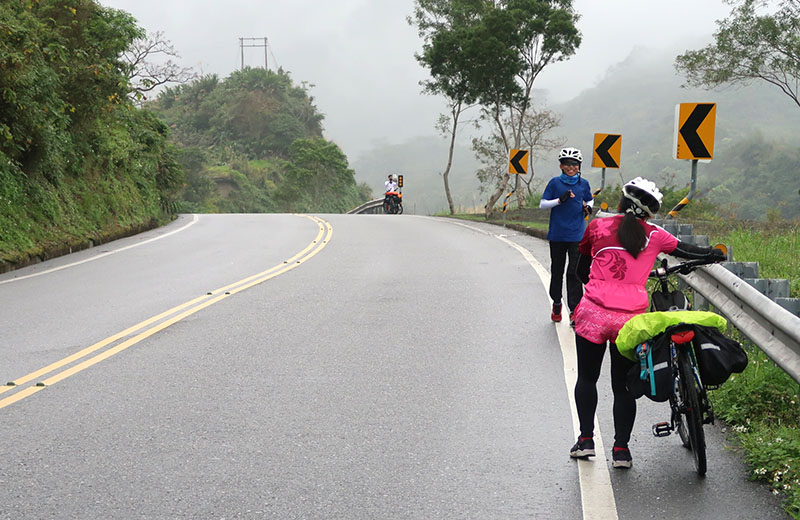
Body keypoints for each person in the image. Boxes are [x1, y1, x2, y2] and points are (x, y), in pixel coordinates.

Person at [568, 177, 726, 469]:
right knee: (623, 387)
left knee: (587, 378)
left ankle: (586, 441)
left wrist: (599, 287)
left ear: (622, 201)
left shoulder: (598, 227)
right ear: (650, 213)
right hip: (631, 321)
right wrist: (715, 253)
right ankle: (621, 451)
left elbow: (581, 269)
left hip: (593, 313)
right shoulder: (655, 236)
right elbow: (687, 251)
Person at [539, 147, 594, 326]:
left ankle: (574, 310)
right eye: (567, 164)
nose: (571, 167)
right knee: (557, 270)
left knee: (574, 273)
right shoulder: (555, 183)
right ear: (561, 166)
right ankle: (556, 303)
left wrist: (589, 207)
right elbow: (543, 204)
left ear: (579, 166)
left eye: (574, 164)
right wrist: (559, 200)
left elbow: (590, 198)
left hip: (577, 235)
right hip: (557, 235)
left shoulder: (583, 184)